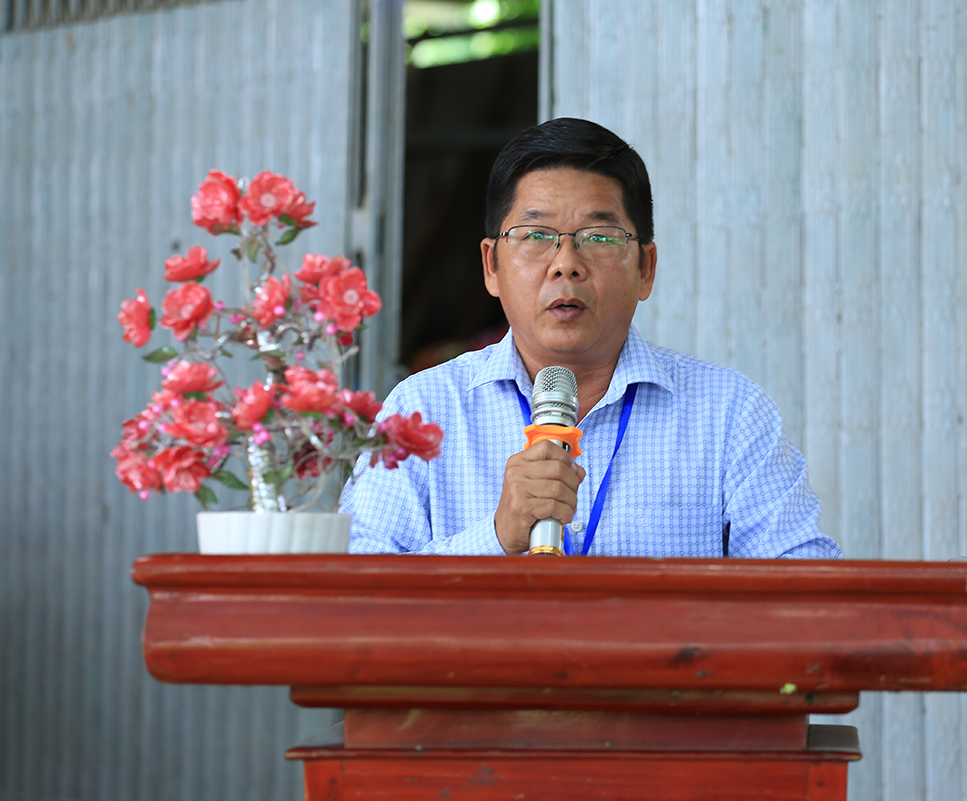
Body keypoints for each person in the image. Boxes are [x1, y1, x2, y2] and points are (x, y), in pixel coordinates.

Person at [342, 117, 840, 559]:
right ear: (491, 266)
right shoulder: (422, 411)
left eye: (599, 238)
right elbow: (357, 595)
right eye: (536, 236)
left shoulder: (728, 414)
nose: (566, 264)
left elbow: (806, 592)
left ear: (645, 269)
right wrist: (495, 538)